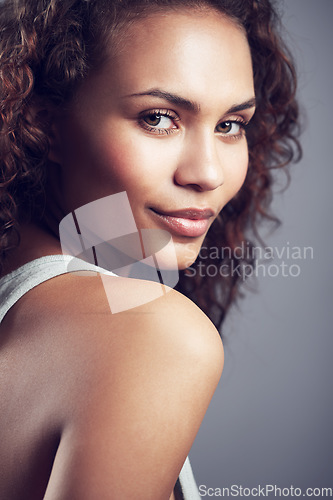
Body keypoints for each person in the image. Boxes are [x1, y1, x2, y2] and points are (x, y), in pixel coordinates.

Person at [0, 0, 301, 498]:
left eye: (230, 125)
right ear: (44, 121)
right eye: (159, 118)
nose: (206, 173)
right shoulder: (152, 334)